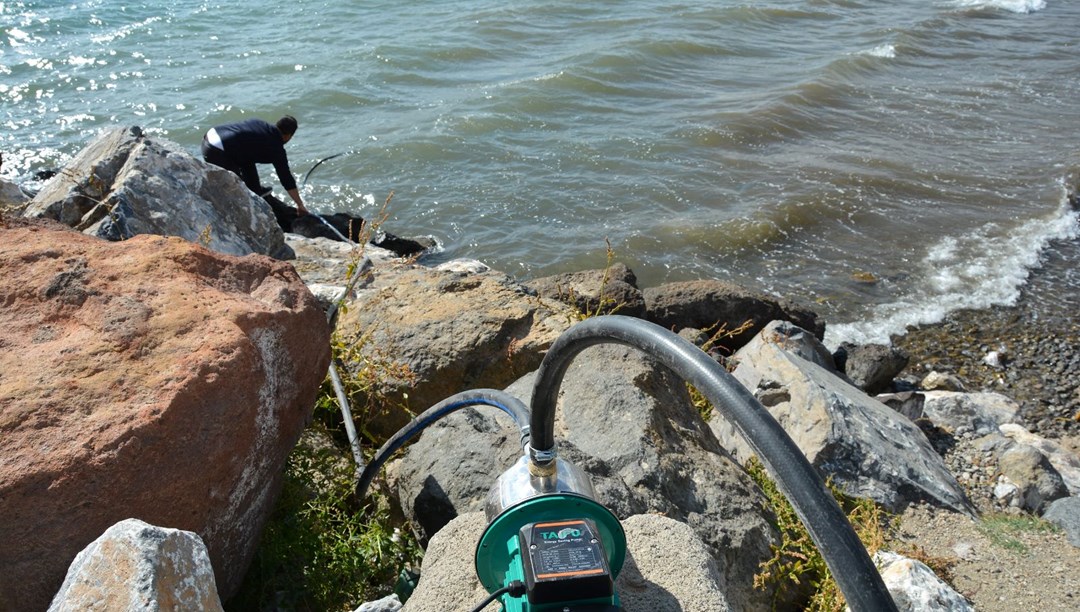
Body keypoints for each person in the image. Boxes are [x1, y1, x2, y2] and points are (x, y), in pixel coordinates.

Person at [201, 115, 308, 216]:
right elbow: (286, 178)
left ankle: (255, 189)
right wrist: (299, 204)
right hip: (217, 150)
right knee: (237, 189)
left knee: (247, 155)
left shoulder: (260, 124)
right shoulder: (276, 148)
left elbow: (247, 154)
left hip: (210, 136)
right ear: (288, 136)